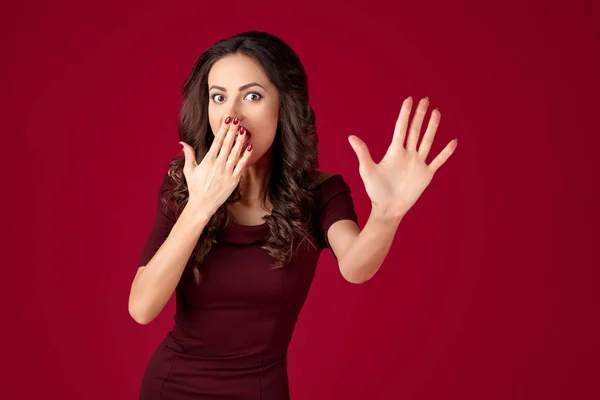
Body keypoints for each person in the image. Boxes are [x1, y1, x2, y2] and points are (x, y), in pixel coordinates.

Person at [128, 30, 457, 400]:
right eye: (218, 97)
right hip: (172, 388)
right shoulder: (183, 185)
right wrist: (201, 205)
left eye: (252, 96)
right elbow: (141, 308)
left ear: (284, 105)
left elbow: (356, 266)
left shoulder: (320, 192)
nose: (231, 115)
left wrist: (387, 213)